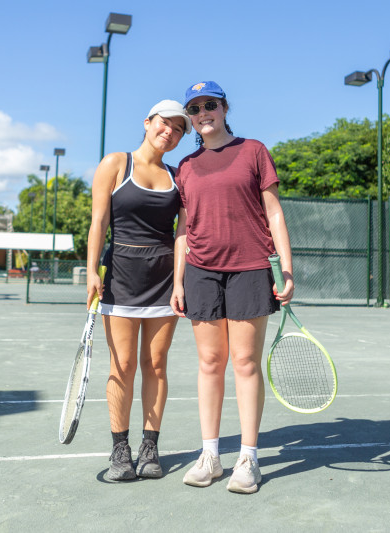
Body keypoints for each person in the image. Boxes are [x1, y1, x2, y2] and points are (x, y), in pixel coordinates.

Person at [170, 81, 294, 494]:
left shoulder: (254, 151)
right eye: (195, 108)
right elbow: (184, 229)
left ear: (224, 108)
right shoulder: (186, 166)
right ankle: (210, 456)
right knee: (209, 363)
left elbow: (274, 213)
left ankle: (248, 458)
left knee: (244, 363)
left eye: (210, 104)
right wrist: (179, 280)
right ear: (190, 117)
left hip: (250, 268)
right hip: (201, 272)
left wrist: (287, 270)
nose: (203, 112)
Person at [86, 99, 190, 481]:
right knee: (123, 366)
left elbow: (182, 234)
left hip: (163, 281)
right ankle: (120, 451)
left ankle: (150, 449)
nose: (171, 132)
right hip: (120, 277)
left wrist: (179, 281)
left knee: (156, 365)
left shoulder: (179, 176)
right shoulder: (115, 163)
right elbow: (98, 222)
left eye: (179, 129)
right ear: (148, 122)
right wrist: (91, 271)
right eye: (165, 123)